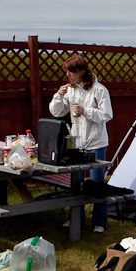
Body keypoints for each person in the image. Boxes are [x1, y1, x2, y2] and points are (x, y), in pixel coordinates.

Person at [49, 54, 113, 233]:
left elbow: (107, 115)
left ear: (82, 72)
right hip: (76, 142)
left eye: (71, 71)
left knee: (96, 182)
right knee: (76, 182)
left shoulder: (99, 90)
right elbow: (57, 112)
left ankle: (99, 222)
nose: (67, 75)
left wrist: (86, 111)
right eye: (67, 71)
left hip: (96, 142)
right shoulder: (70, 90)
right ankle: (76, 218)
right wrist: (58, 96)